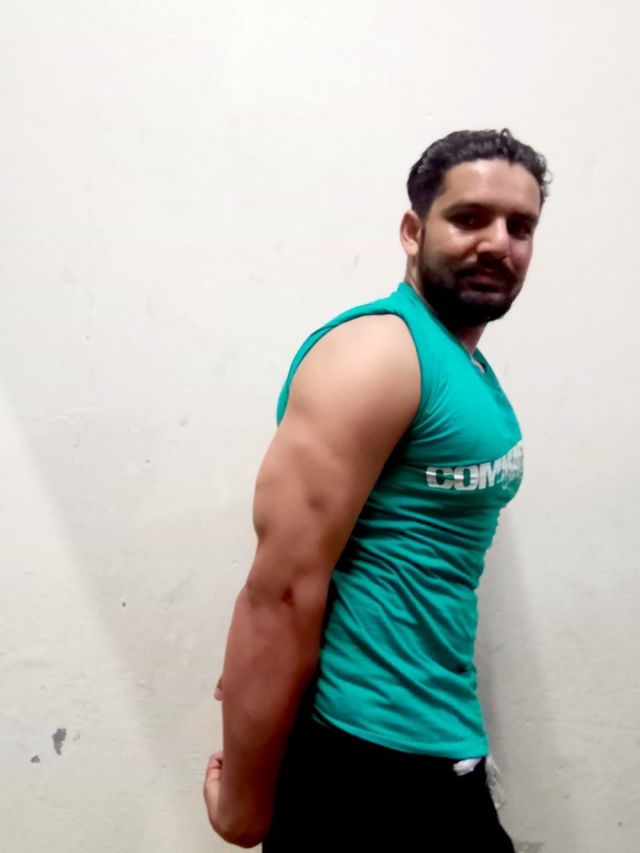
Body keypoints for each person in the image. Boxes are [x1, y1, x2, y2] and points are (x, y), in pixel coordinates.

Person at [204, 128, 550, 851]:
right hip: (362, 756)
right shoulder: (376, 354)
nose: (499, 243)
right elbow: (279, 592)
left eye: (520, 227)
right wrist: (243, 801)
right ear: (413, 231)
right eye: (470, 218)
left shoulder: (460, 363)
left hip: (435, 738)